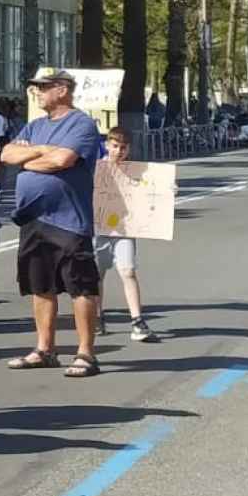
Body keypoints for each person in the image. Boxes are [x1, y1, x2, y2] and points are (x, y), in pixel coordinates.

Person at [1, 69, 105, 378]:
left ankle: (86, 352)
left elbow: (63, 161)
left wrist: (30, 159)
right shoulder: (35, 125)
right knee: (40, 285)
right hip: (34, 218)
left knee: (80, 286)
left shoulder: (81, 124)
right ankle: (45, 349)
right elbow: (7, 154)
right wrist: (42, 151)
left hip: (69, 220)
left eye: (43, 87)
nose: (37, 93)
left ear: (62, 89)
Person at [93, 127, 160, 343]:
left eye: (123, 147)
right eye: (115, 146)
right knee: (97, 274)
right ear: (107, 145)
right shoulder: (96, 169)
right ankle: (96, 316)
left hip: (125, 229)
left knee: (128, 270)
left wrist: (167, 190)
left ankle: (137, 320)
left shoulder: (136, 171)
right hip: (100, 229)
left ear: (128, 149)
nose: (119, 151)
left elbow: (153, 192)